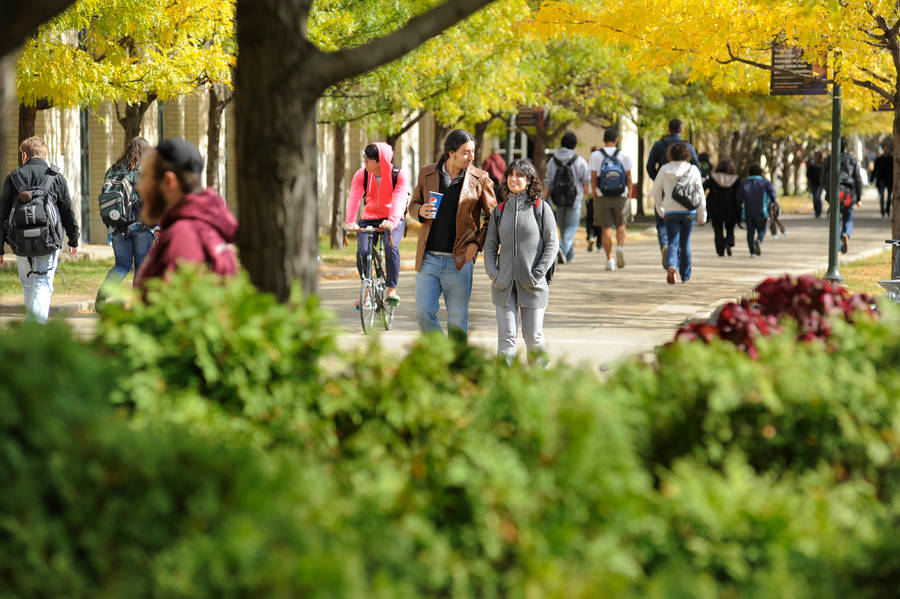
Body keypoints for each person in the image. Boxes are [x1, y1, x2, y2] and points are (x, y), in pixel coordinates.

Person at [410, 129, 496, 336]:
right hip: (428, 258)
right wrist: (419, 211)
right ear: (451, 152)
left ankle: (455, 357)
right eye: (466, 152)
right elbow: (413, 204)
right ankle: (441, 351)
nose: (472, 156)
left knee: (457, 320)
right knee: (423, 312)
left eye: (473, 151)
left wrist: (477, 244)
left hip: (459, 261)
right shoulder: (427, 173)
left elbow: (493, 217)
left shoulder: (480, 178)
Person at [133, 138, 238, 290]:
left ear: (168, 181)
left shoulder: (183, 237)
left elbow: (173, 302)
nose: (139, 187)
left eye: (144, 177)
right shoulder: (205, 225)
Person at [483, 159, 558, 364]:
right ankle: (505, 380)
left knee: (533, 336)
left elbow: (552, 244)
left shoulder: (541, 208)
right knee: (506, 338)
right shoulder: (499, 211)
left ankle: (540, 377)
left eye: (519, 175)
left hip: (533, 284)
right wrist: (494, 275)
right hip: (503, 284)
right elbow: (490, 246)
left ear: (529, 180)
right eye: (510, 175)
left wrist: (537, 274)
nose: (513, 179)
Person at [0, 135, 80, 323]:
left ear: (25, 155)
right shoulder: (56, 177)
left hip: (21, 241)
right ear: (45, 155)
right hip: (48, 240)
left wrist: (0, 246)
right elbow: (67, 210)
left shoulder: (13, 177)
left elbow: (2, 213)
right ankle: (34, 329)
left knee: (29, 283)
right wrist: (73, 238)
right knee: (42, 283)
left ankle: (33, 330)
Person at [344, 142, 409, 304]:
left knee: (390, 247)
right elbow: (354, 198)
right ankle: (367, 290)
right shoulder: (362, 174)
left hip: (392, 219)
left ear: (380, 160)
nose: (364, 161)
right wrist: (350, 222)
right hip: (369, 218)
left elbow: (399, 200)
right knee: (362, 252)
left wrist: (391, 222)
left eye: (368, 158)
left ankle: (391, 289)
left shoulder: (398, 175)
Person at [100, 137, 155, 288]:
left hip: (118, 225)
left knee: (121, 266)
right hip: (142, 227)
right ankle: (138, 300)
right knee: (141, 267)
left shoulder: (113, 170)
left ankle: (103, 295)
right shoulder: (146, 171)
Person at [646, 118, 700, 268]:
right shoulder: (687, 146)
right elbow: (697, 167)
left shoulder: (659, 145)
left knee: (662, 223)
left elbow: (649, 166)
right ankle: (680, 264)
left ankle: (665, 245)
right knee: (683, 233)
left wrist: (660, 180)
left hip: (666, 190)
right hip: (686, 195)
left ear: (668, 129)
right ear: (682, 130)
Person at [652, 142, 705, 284]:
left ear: (671, 154)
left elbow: (656, 191)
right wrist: (702, 215)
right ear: (687, 154)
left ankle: (671, 266)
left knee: (672, 242)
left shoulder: (664, 169)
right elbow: (700, 193)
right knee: (685, 242)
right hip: (688, 211)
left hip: (670, 211)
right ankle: (685, 276)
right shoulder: (693, 169)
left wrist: (660, 209)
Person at [589, 127, 633, 271]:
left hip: (602, 196)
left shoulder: (595, 155)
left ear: (603, 140)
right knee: (621, 225)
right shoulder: (624, 155)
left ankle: (609, 260)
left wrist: (595, 193)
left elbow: (593, 178)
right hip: (621, 195)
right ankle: (619, 247)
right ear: (616, 140)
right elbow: (629, 177)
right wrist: (629, 193)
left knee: (606, 228)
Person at [543, 131, 590, 264]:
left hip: (558, 199)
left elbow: (548, 181)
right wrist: (587, 192)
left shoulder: (553, 161)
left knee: (563, 226)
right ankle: (562, 248)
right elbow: (586, 180)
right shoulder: (579, 161)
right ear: (574, 145)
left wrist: (543, 199)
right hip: (575, 198)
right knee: (572, 226)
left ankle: (569, 257)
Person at [822, 137, 863, 254]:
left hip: (834, 192)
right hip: (848, 193)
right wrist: (859, 197)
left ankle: (837, 245)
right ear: (845, 147)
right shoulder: (852, 159)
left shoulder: (829, 159)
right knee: (848, 215)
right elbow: (858, 179)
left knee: (835, 219)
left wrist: (828, 190)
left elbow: (822, 177)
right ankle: (846, 233)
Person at [736, 163, 777, 258]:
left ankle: (752, 252)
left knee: (750, 232)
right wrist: (772, 202)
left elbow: (738, 199)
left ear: (749, 172)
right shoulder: (765, 183)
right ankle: (758, 240)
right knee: (762, 230)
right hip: (762, 212)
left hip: (748, 212)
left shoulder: (744, 183)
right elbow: (773, 195)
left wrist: (738, 210)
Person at [705, 158, 740, 257]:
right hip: (731, 207)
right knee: (730, 228)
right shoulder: (735, 179)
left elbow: (703, 186)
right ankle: (729, 242)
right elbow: (740, 193)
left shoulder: (713, 178)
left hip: (715, 207)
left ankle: (720, 250)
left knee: (717, 229)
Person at [584, 145, 602, 252]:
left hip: (590, 195)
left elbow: (585, 180)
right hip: (600, 195)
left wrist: (586, 191)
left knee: (589, 218)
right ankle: (599, 244)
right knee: (599, 219)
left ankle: (590, 235)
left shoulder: (587, 164)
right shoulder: (602, 163)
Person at [873, 145, 893, 218]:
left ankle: (888, 209)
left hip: (890, 180)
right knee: (882, 196)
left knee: (889, 196)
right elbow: (875, 170)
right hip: (881, 179)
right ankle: (882, 210)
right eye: (884, 149)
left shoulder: (891, 159)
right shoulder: (878, 160)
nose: (885, 150)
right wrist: (872, 179)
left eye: (886, 149)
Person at [806, 150, 824, 218]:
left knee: (817, 197)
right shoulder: (812, 165)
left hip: (820, 184)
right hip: (813, 183)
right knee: (814, 198)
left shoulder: (822, 164)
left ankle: (819, 212)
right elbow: (808, 174)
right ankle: (816, 211)